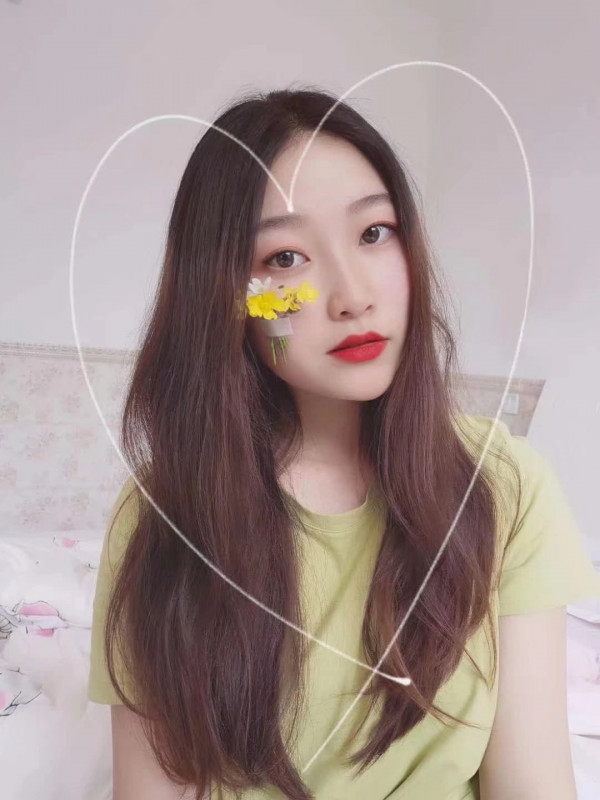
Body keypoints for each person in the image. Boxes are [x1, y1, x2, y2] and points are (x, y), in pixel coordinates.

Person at [88, 86, 600, 800]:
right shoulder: (162, 516)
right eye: (286, 257)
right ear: (228, 298)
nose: (353, 295)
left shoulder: (503, 484)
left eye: (374, 233)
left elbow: (533, 782)